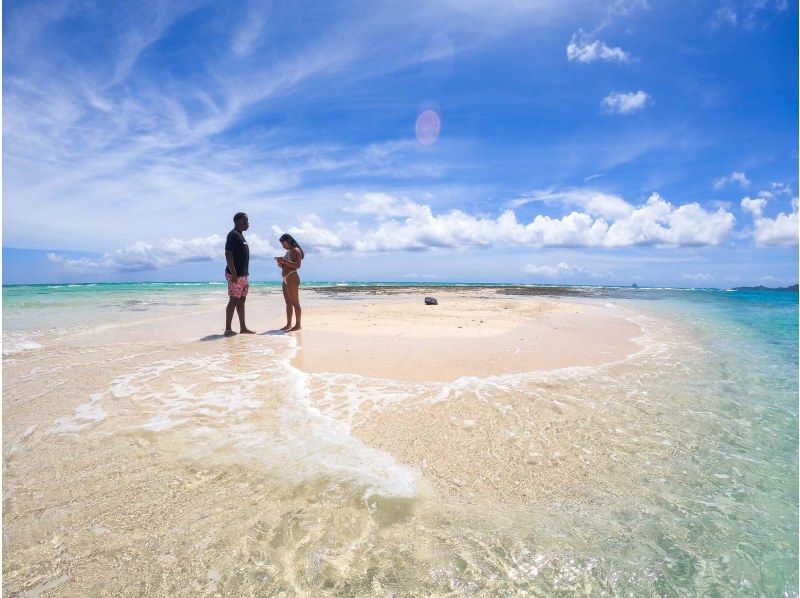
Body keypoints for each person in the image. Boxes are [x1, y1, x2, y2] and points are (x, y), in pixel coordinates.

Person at [224, 212, 255, 335]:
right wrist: (234, 274)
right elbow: (228, 254)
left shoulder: (241, 236)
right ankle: (228, 329)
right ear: (236, 222)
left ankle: (243, 328)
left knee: (241, 300)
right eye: (244, 221)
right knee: (233, 300)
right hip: (235, 275)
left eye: (247, 221)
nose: (247, 223)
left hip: (243, 275)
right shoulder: (233, 235)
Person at [275, 233, 304, 331]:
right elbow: (286, 266)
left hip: (292, 277)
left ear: (289, 241)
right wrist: (280, 263)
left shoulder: (296, 250)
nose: (283, 246)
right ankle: (288, 324)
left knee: (295, 302)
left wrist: (284, 260)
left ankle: (298, 324)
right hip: (285, 278)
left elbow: (297, 265)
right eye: (282, 244)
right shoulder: (288, 252)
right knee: (288, 303)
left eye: (284, 244)